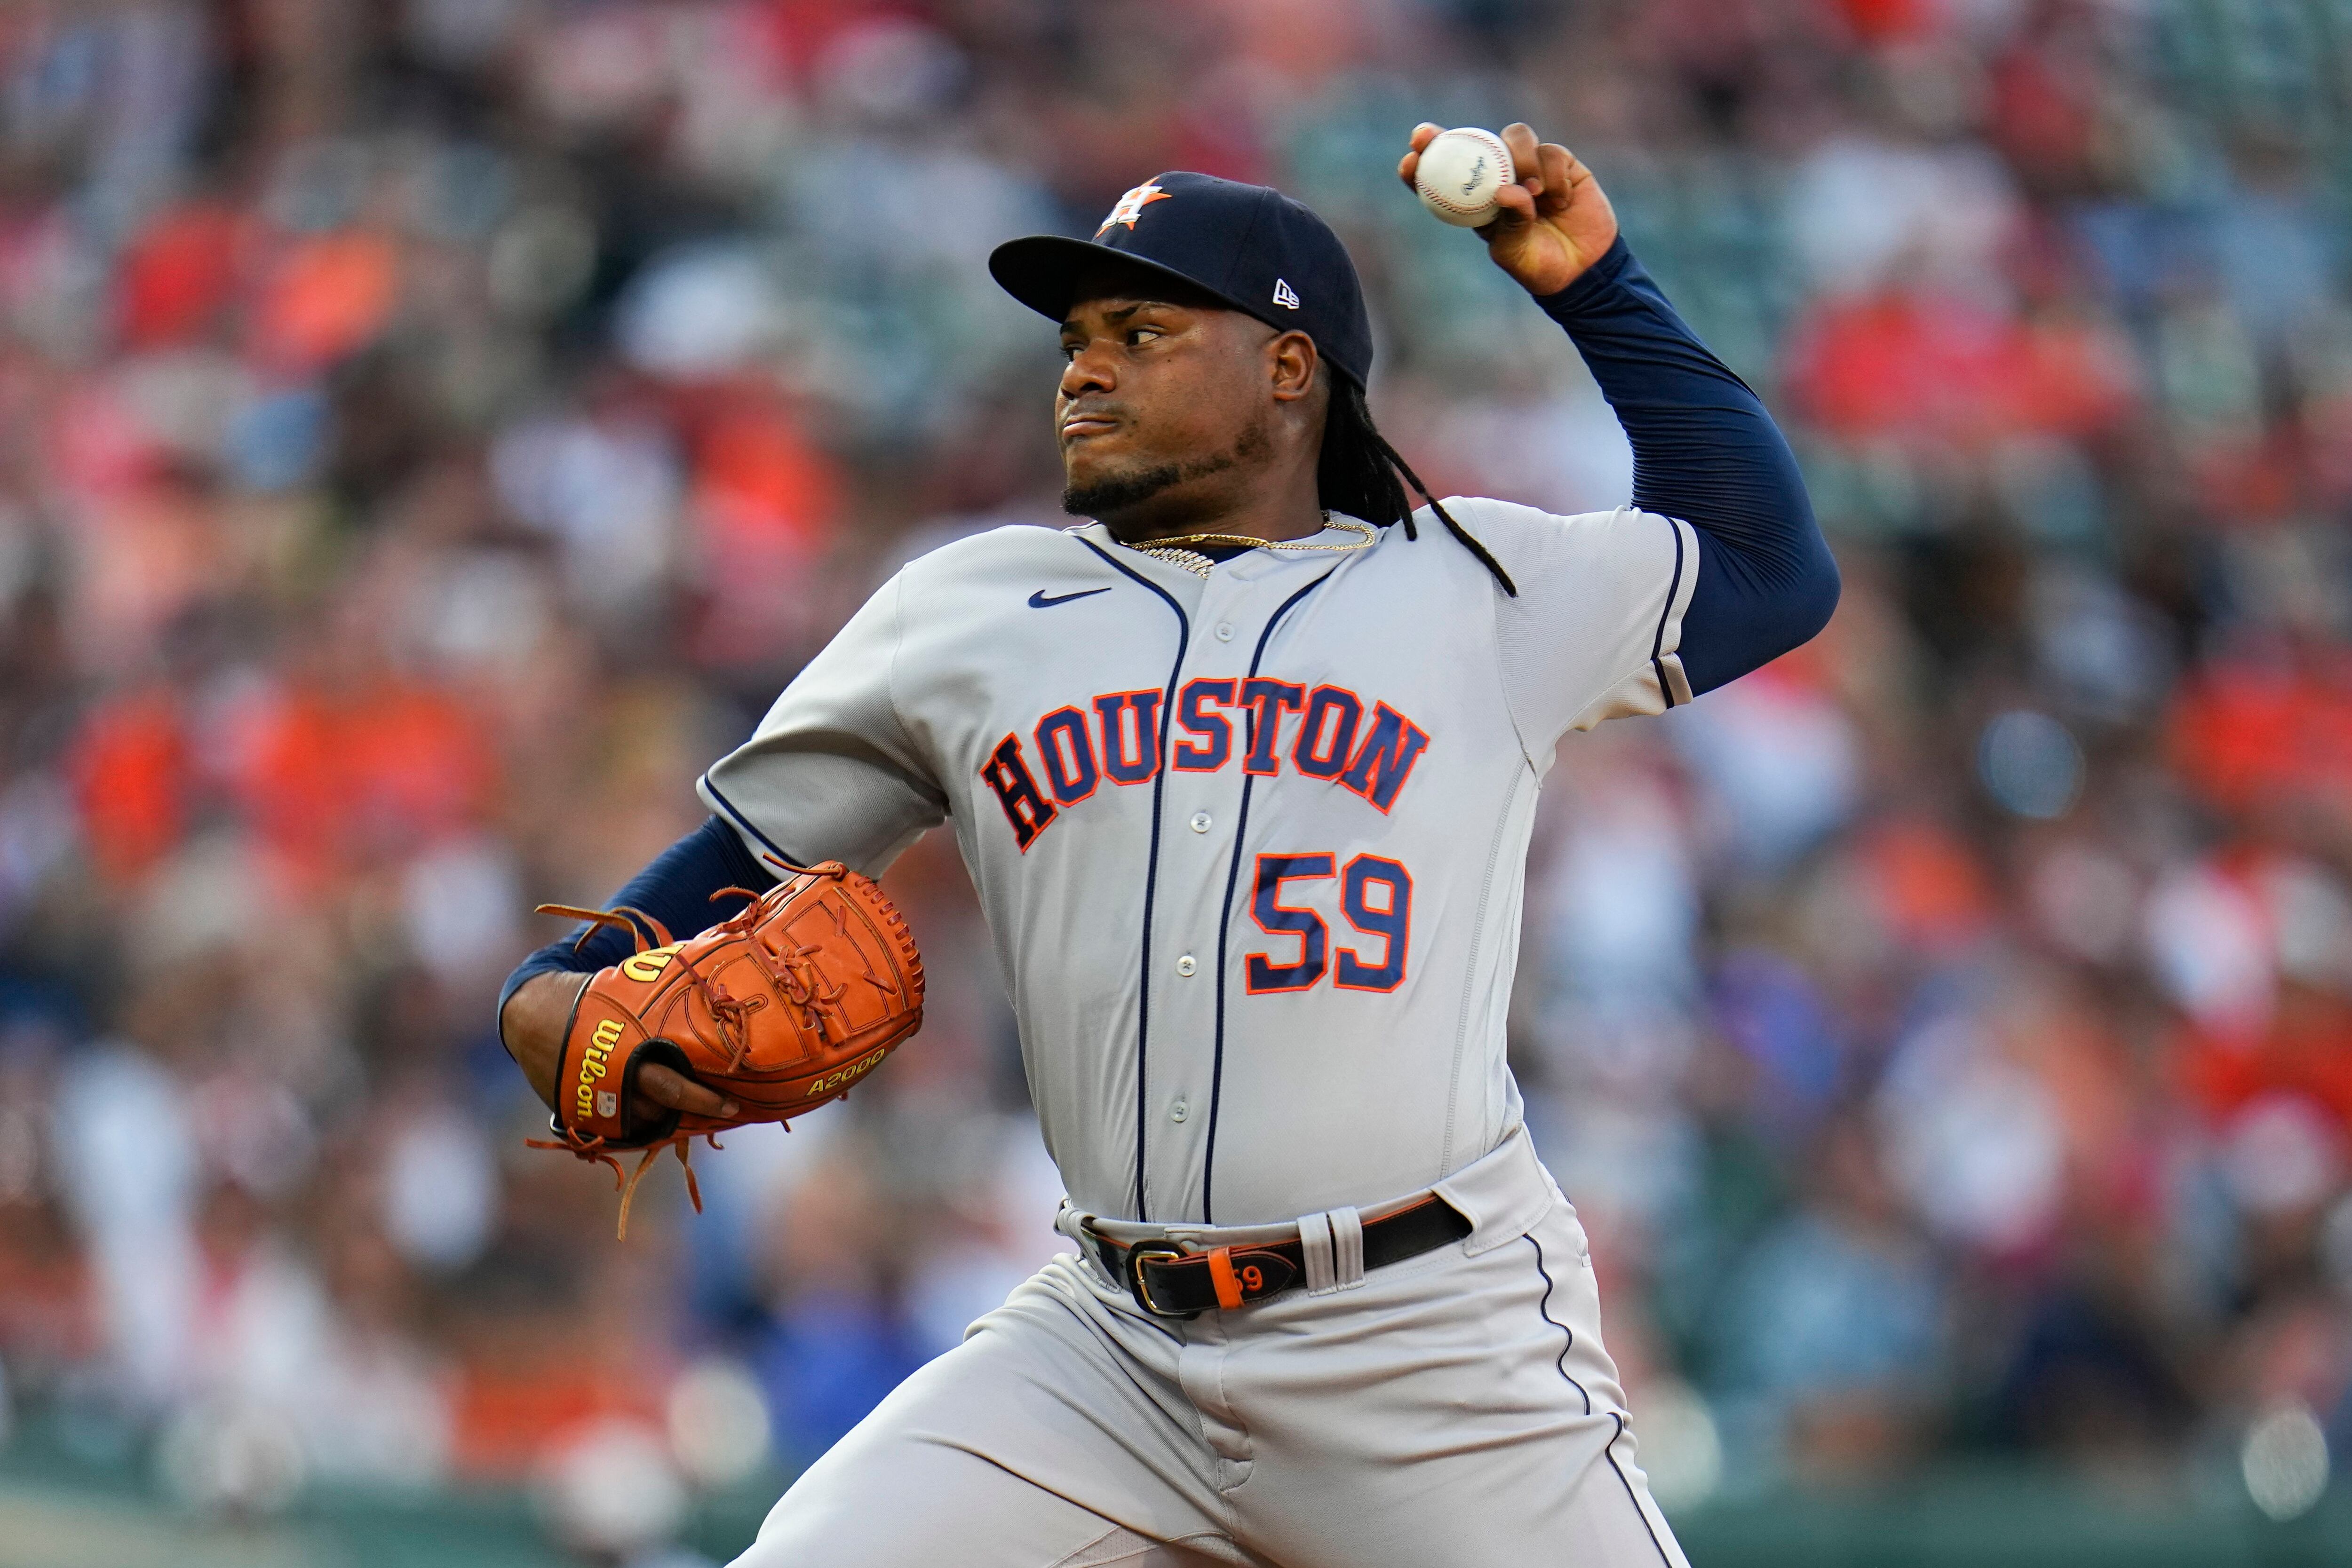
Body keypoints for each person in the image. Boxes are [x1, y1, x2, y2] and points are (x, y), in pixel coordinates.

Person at [499, 122, 1837, 1567]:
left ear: (1287, 368)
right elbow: (712, 884)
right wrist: (553, 996)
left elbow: (1770, 565)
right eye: (1076, 337)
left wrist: (1600, 286)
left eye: (1140, 331)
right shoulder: (969, 609)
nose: (1083, 367)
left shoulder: (1480, 584)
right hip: (1106, 1350)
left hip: (1430, 1346)